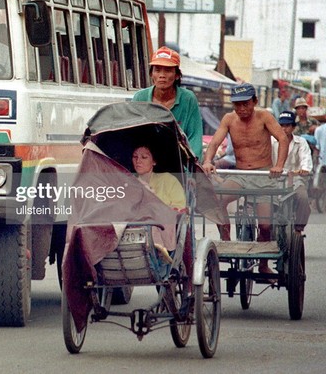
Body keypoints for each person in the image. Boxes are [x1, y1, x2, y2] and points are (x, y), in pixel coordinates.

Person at [202, 83, 288, 276]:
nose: (241, 109)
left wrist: (279, 165)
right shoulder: (229, 119)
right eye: (237, 104)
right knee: (218, 199)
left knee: (266, 225)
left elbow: (282, 139)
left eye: (245, 104)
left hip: (263, 175)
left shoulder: (264, 116)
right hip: (241, 174)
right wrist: (208, 161)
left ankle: (263, 264)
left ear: (254, 101)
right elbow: (215, 142)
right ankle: (226, 240)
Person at [132, 46, 203, 160]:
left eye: (168, 70)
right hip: (146, 163)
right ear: (151, 74)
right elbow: (132, 134)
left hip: (179, 163)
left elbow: (194, 137)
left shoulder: (188, 99)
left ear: (177, 75)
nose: (162, 75)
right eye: (157, 70)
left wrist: (193, 168)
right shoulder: (140, 97)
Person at [271, 111, 312, 232]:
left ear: (293, 127)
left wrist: (304, 169)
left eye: (287, 126)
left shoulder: (301, 142)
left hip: (295, 179)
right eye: (281, 125)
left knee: (302, 198)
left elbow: (306, 159)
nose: (284, 129)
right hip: (273, 179)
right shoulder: (271, 141)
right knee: (261, 200)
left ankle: (298, 228)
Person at [132, 145, 186, 212]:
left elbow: (180, 208)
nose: (138, 161)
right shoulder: (129, 183)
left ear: (154, 161)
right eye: (135, 156)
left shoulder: (168, 180)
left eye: (144, 157)